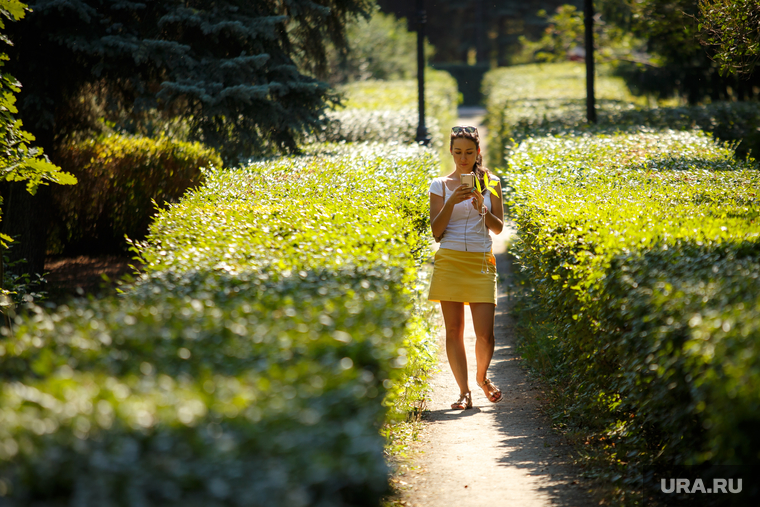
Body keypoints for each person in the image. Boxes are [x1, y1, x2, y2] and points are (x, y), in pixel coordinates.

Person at [428, 125, 505, 410]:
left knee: (486, 334)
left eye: (469, 152)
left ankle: (482, 379)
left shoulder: (492, 182)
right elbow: (436, 232)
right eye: (458, 152)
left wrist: (481, 205)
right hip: (449, 260)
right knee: (454, 331)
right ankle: (464, 392)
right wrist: (451, 201)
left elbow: (498, 229)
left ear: (478, 152)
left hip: (481, 261)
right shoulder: (439, 185)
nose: (463, 158)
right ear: (450, 151)